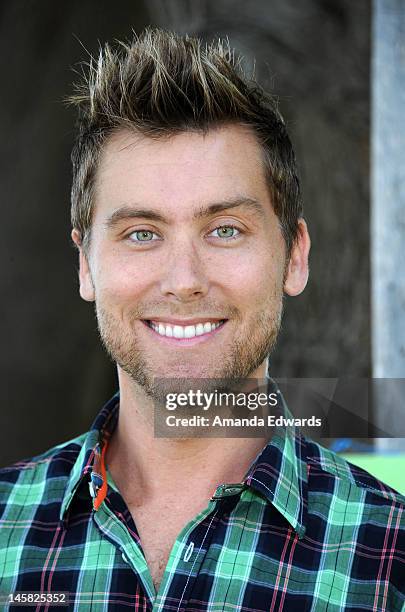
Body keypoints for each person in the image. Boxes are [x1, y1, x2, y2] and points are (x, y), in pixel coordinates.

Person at [0, 28, 404, 611]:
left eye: (224, 230)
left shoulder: (387, 554)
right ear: (86, 266)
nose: (184, 279)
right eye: (142, 234)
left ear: (294, 256)